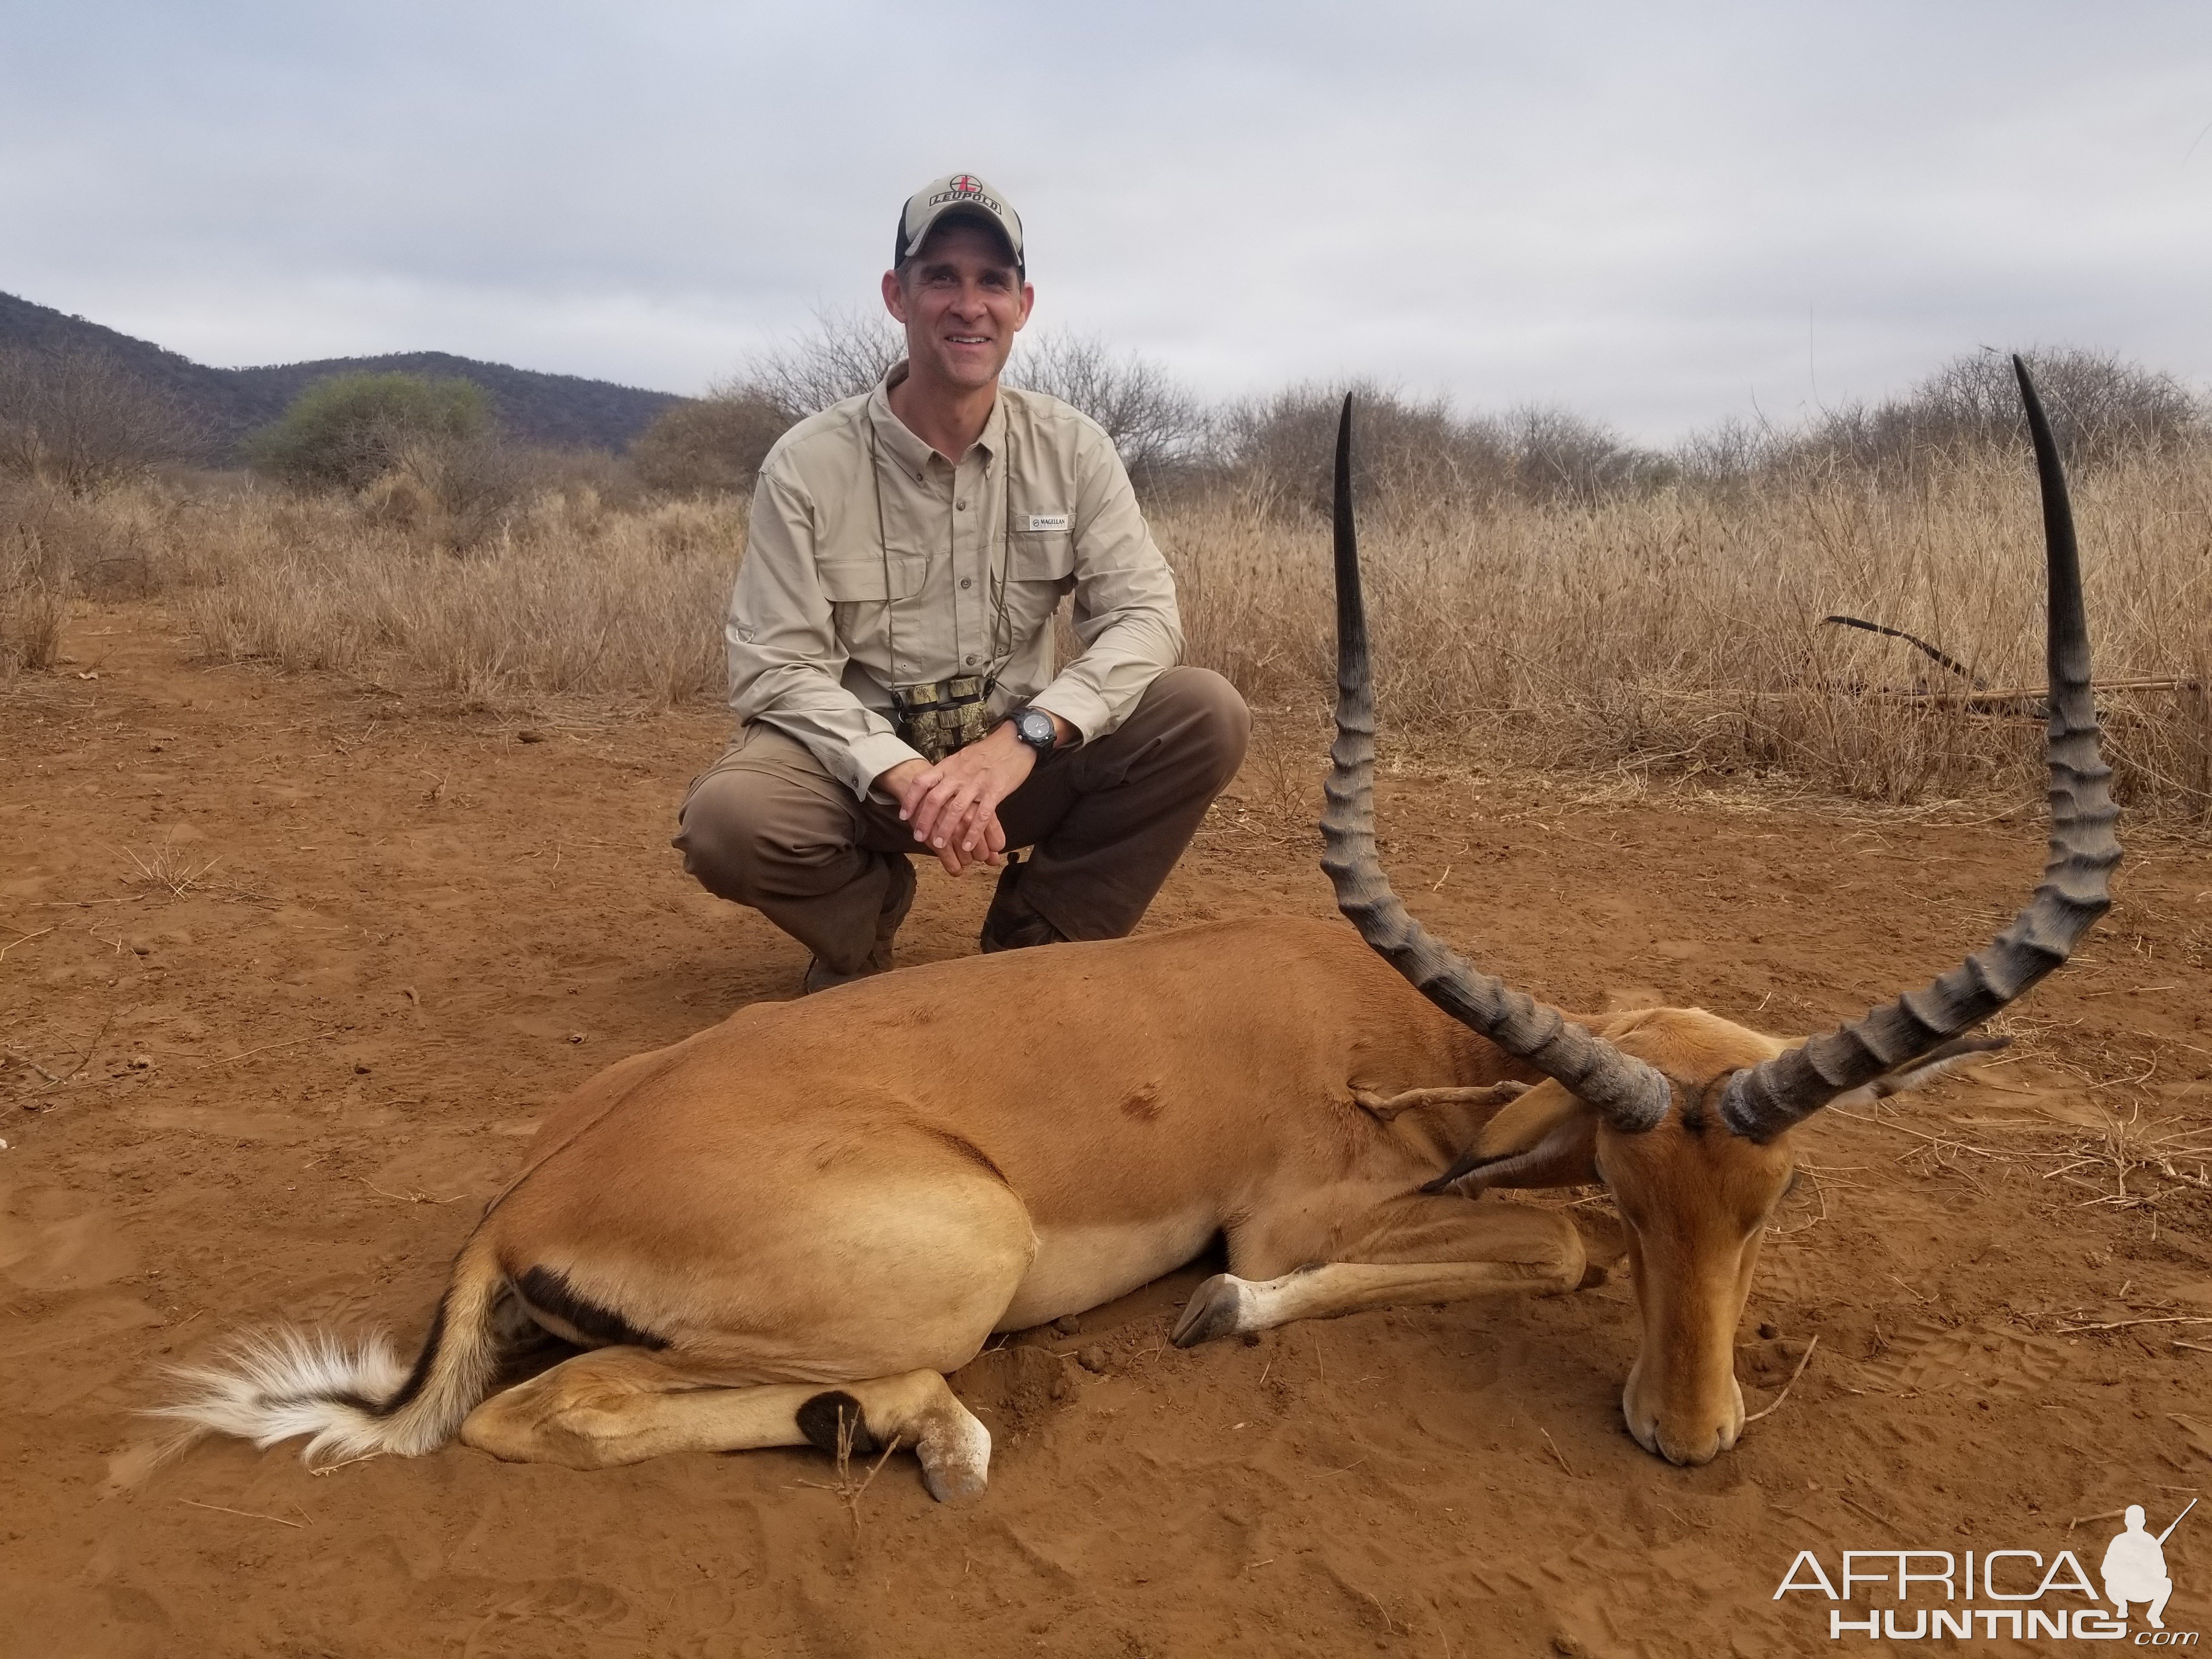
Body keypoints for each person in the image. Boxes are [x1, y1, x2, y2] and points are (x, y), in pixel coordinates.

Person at [673, 173, 1250, 991]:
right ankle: (862, 920)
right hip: (863, 781)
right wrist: (898, 770)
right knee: (732, 823)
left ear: (1024, 304)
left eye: (992, 281)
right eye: (940, 276)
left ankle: (1037, 945)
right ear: (896, 295)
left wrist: (1026, 740)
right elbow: (777, 666)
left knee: (1204, 713)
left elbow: (1146, 616)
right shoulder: (806, 464)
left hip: (1014, 767)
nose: (968, 303)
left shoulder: (1074, 448)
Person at [2101, 1505, 2175, 1628]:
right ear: (2144, 1522)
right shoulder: (2151, 1542)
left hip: (2122, 1591)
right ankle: (2154, 1615)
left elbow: (2105, 1571)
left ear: (2126, 1522)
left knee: (2109, 1582)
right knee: (2167, 1583)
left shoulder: (2118, 1540)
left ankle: (2122, 1606)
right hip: (2145, 1593)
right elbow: (2163, 1572)